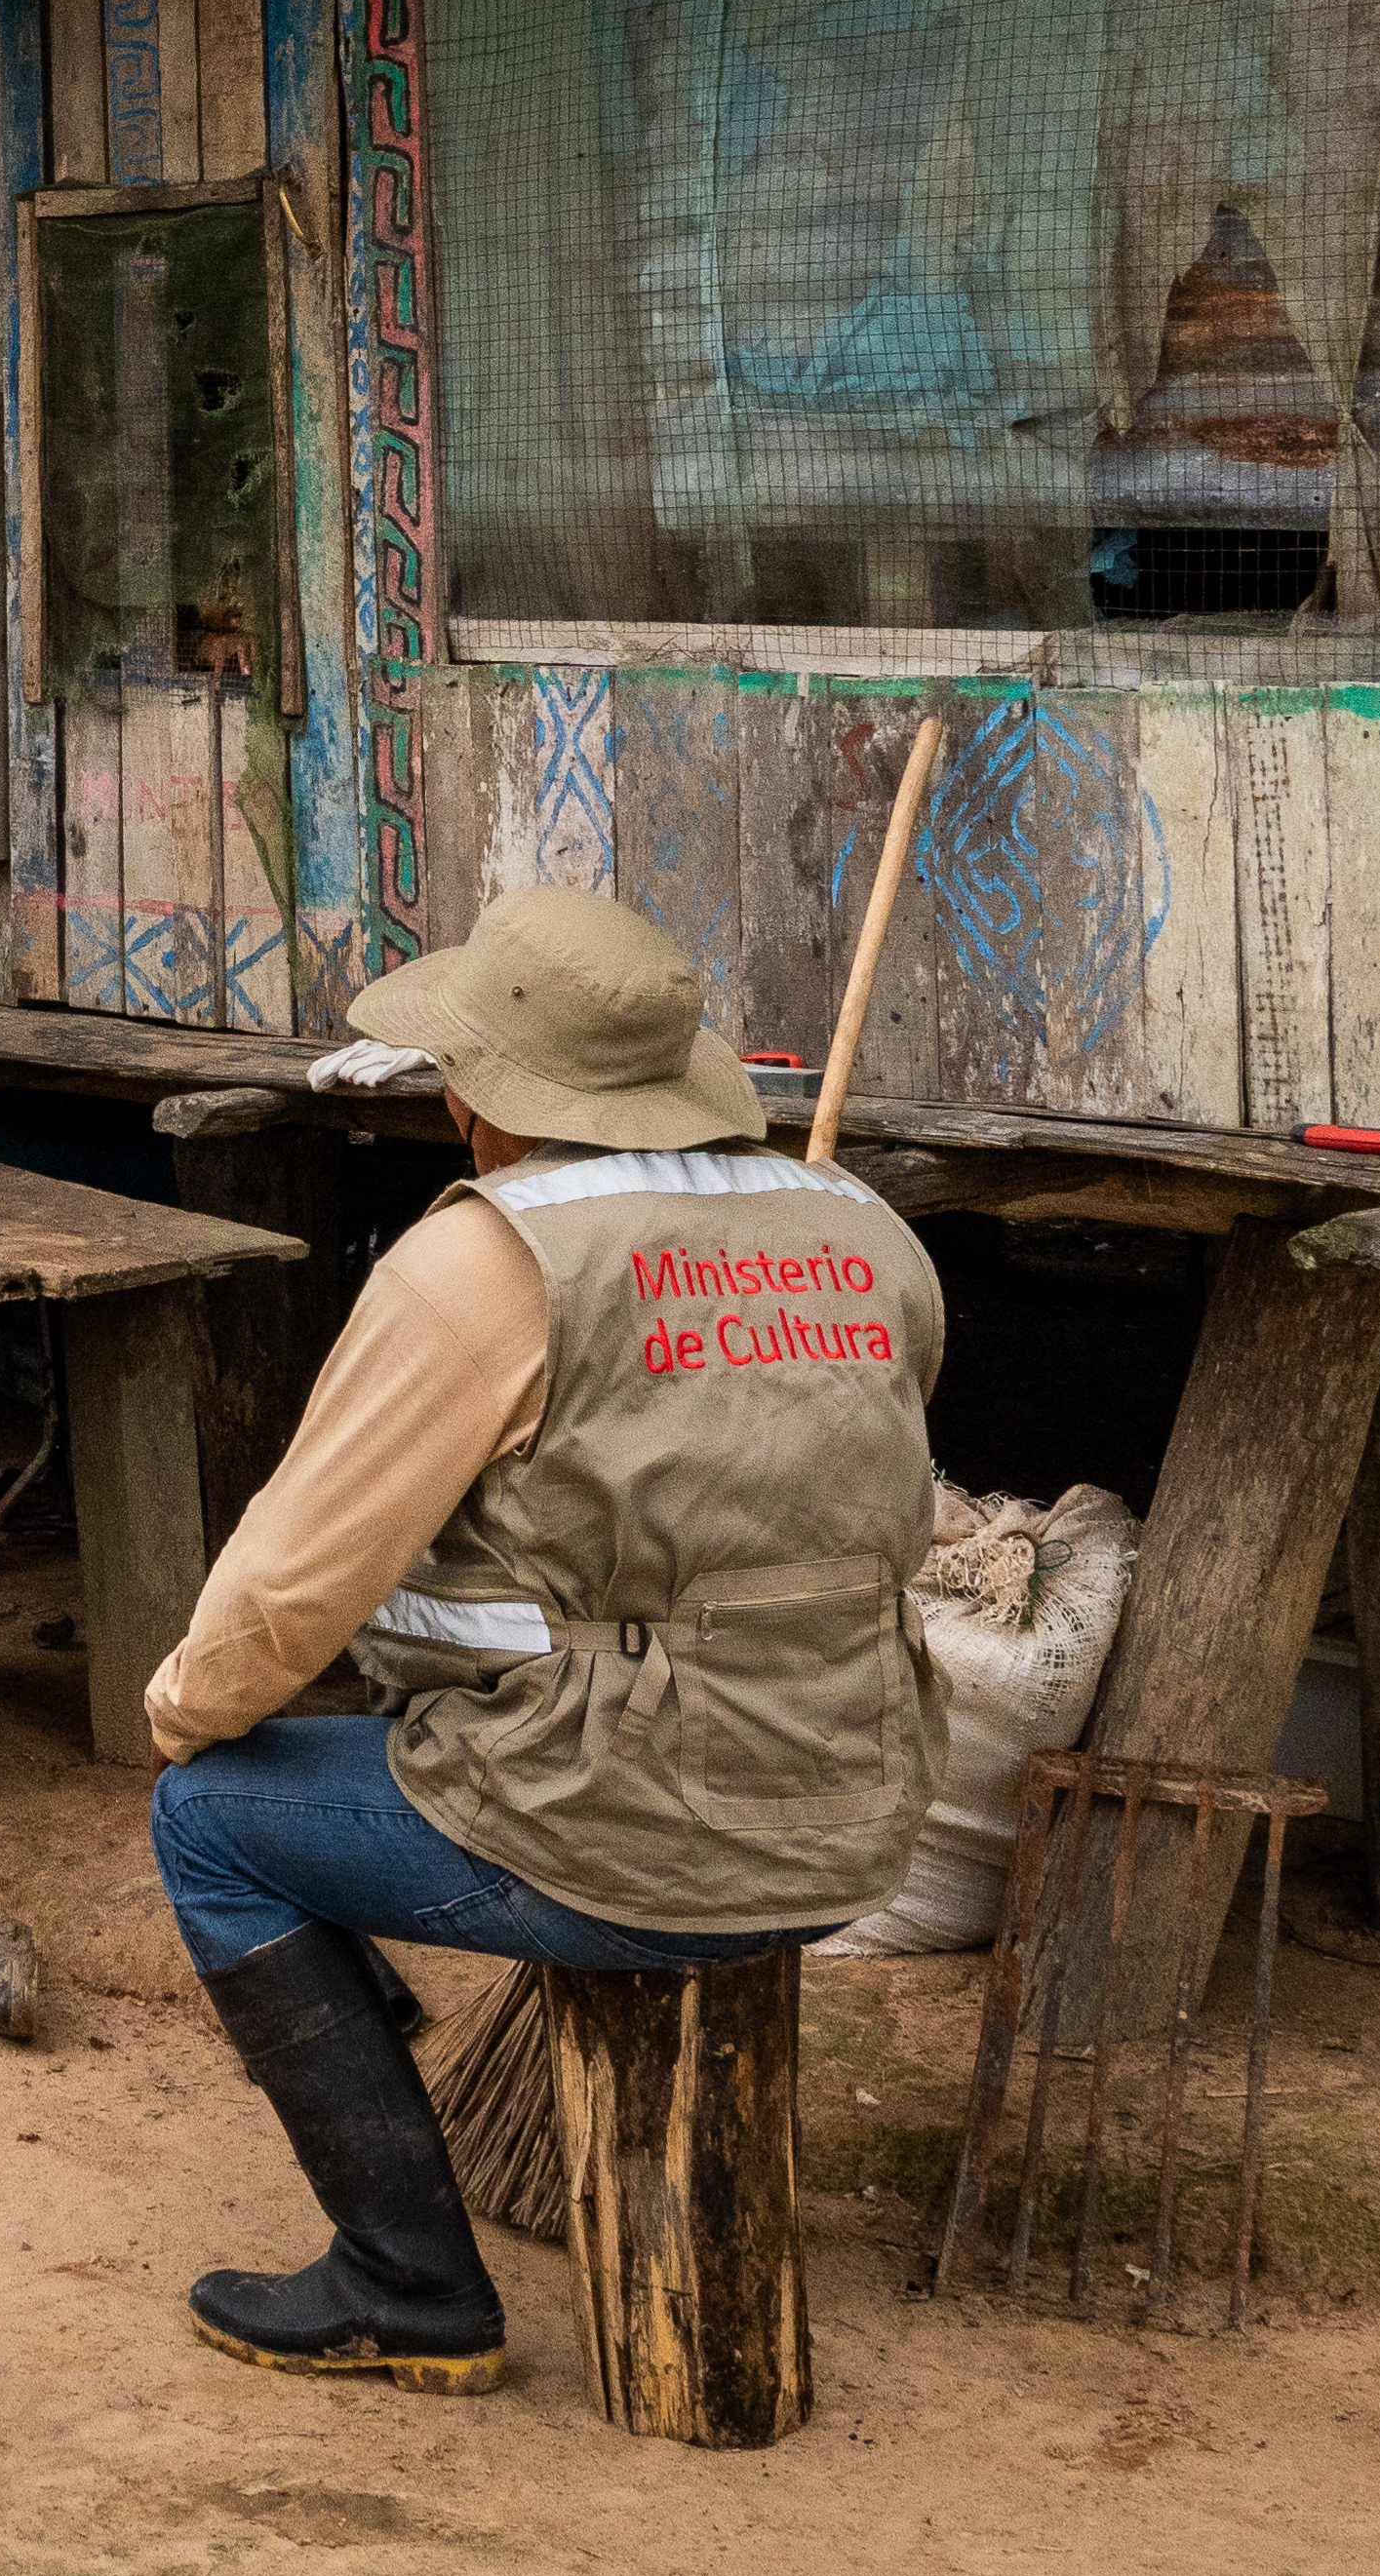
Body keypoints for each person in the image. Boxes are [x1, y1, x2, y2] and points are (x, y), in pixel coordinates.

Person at [127, 882, 945, 2391]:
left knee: (212, 1820)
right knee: (399, 1758)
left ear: (476, 1093)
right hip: (856, 1822)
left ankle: (406, 2281)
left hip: (639, 1836)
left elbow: (287, 1587)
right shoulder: (864, 1227)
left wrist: (184, 1710)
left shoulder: (485, 1262)